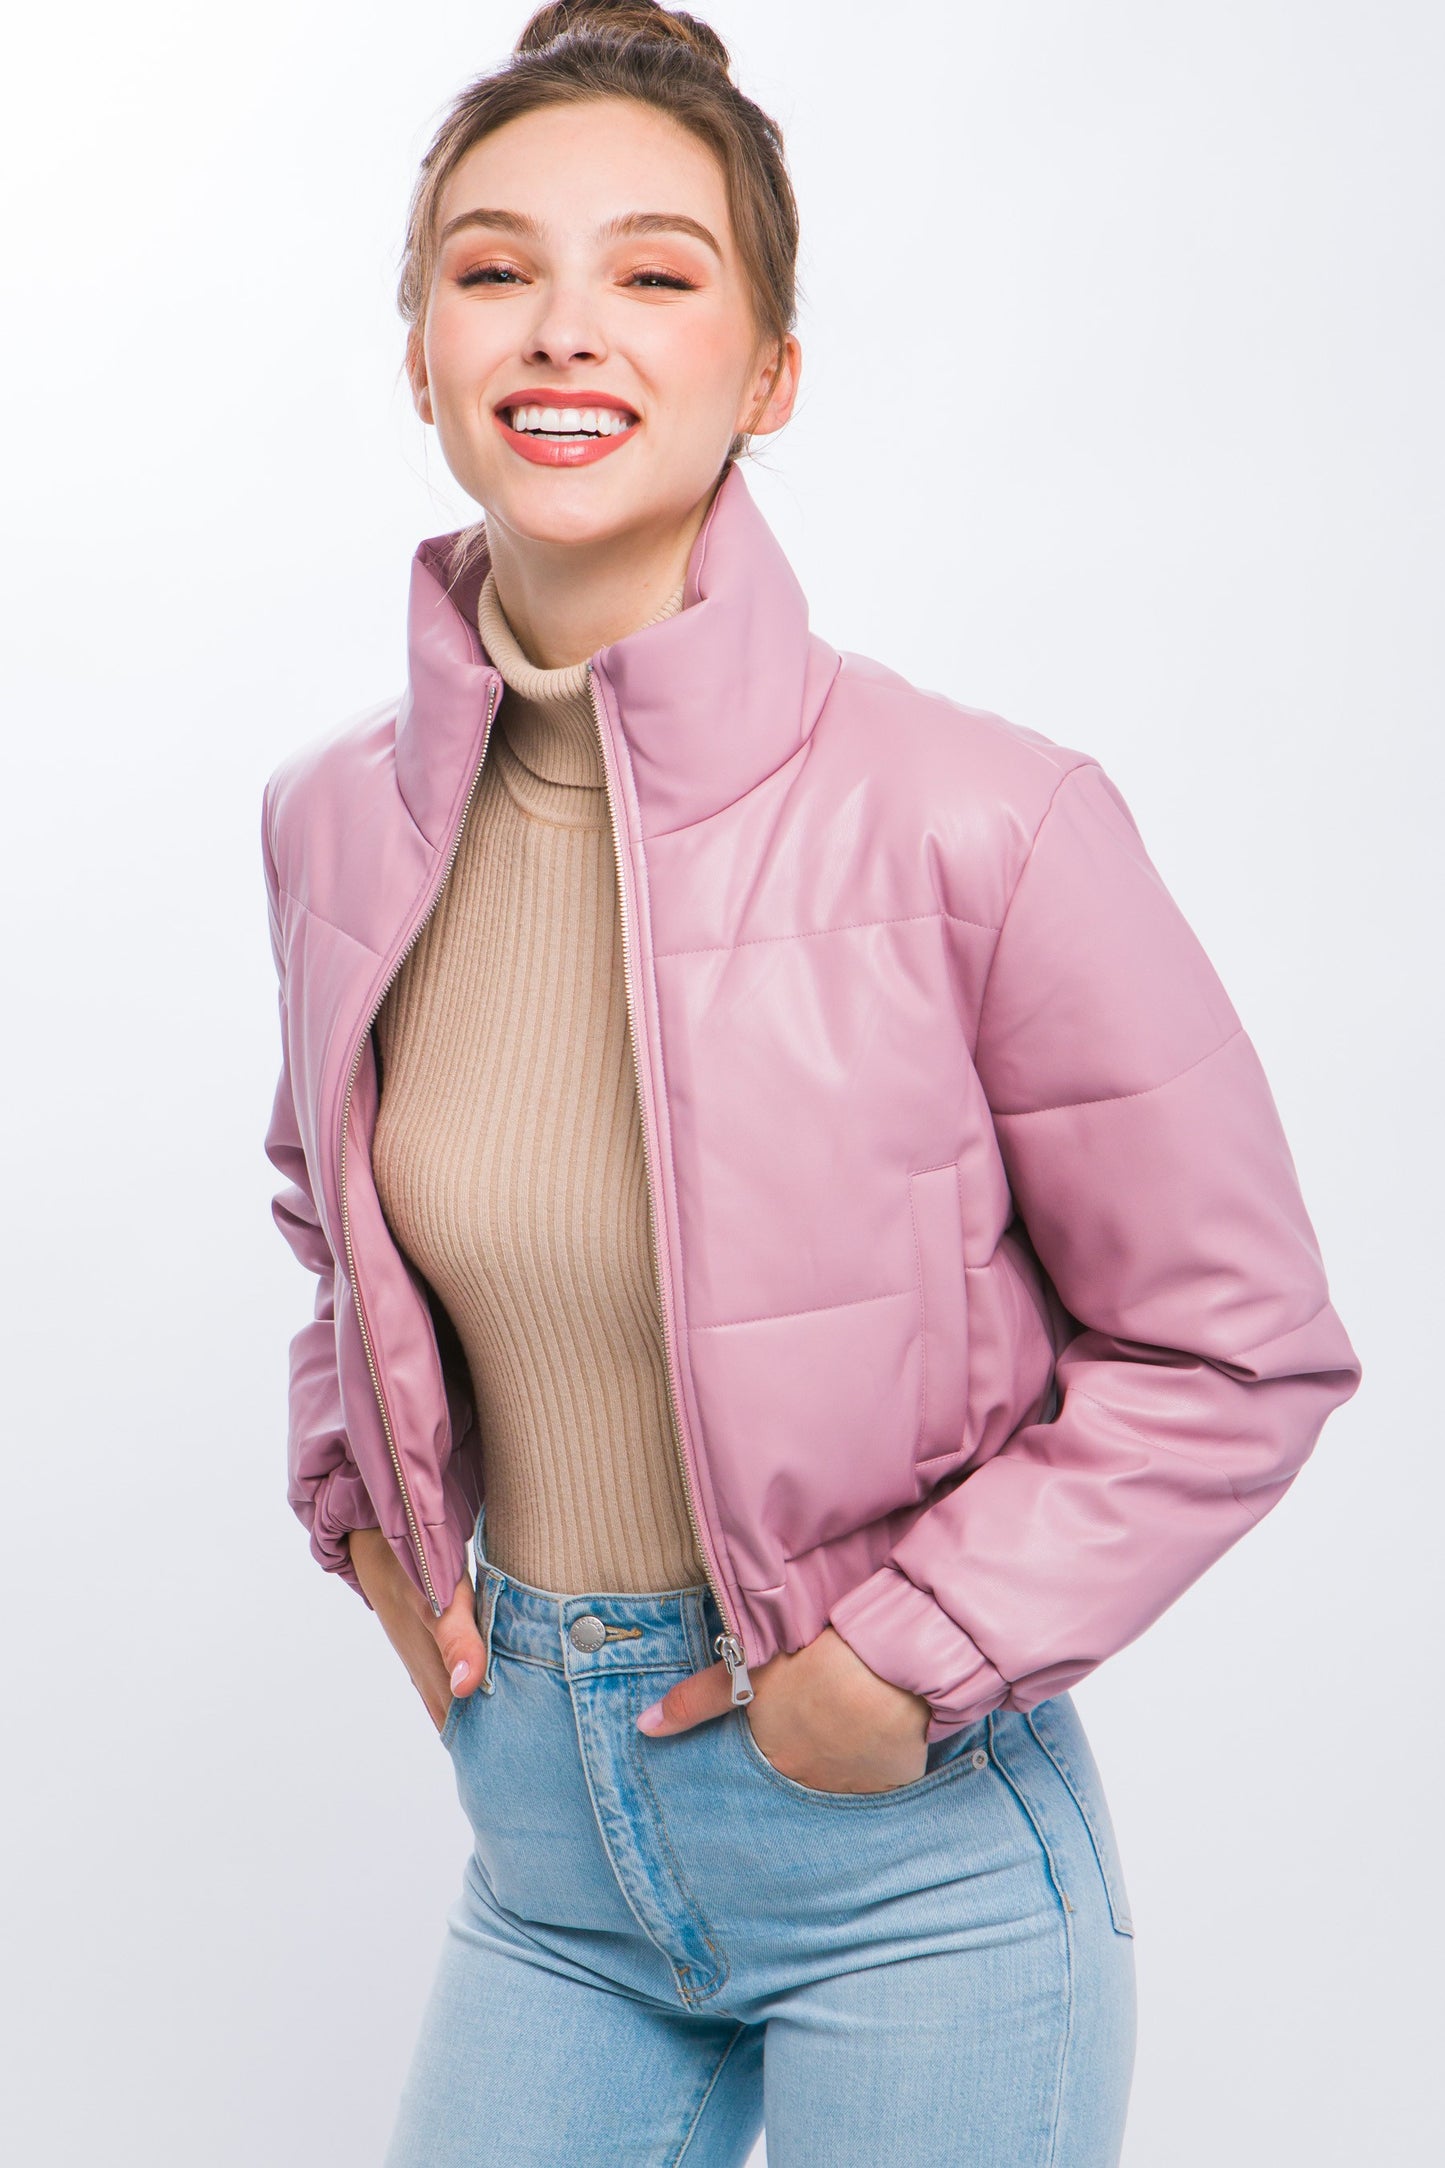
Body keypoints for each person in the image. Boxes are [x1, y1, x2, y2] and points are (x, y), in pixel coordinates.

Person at [258, 5, 1362, 2161]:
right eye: (494, 269)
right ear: (420, 354)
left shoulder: (984, 821)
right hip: (545, 1861)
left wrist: (901, 1658)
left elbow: (1238, 1347)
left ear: (769, 373)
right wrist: (365, 1516)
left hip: (908, 1862)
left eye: (655, 273)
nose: (564, 327)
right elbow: (334, 1218)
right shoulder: (331, 827)